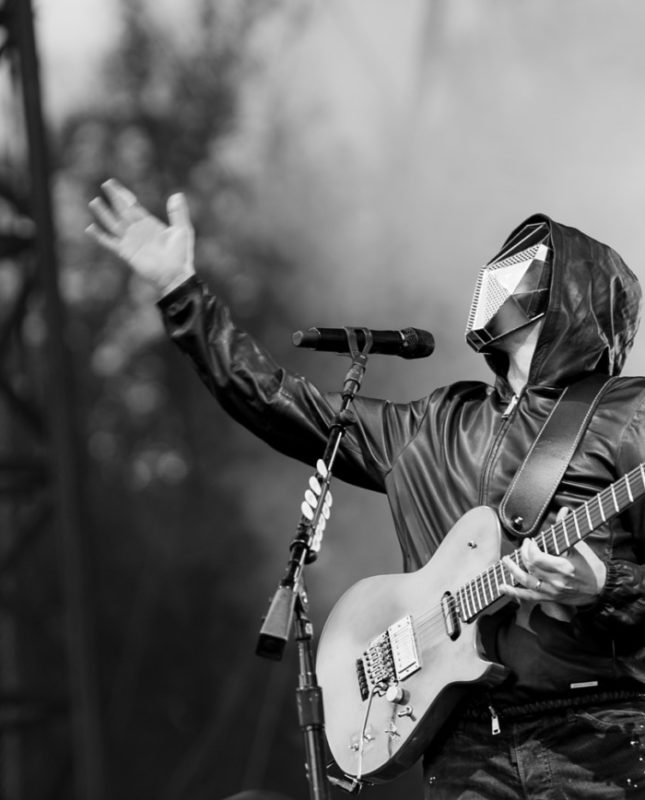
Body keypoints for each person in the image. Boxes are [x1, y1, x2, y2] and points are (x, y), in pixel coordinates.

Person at [88, 179, 645, 799]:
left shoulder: (631, 417)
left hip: (593, 736)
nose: (499, 279)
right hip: (461, 742)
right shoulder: (437, 421)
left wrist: (608, 586)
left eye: (526, 267)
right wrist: (180, 294)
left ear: (573, 293)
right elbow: (277, 401)